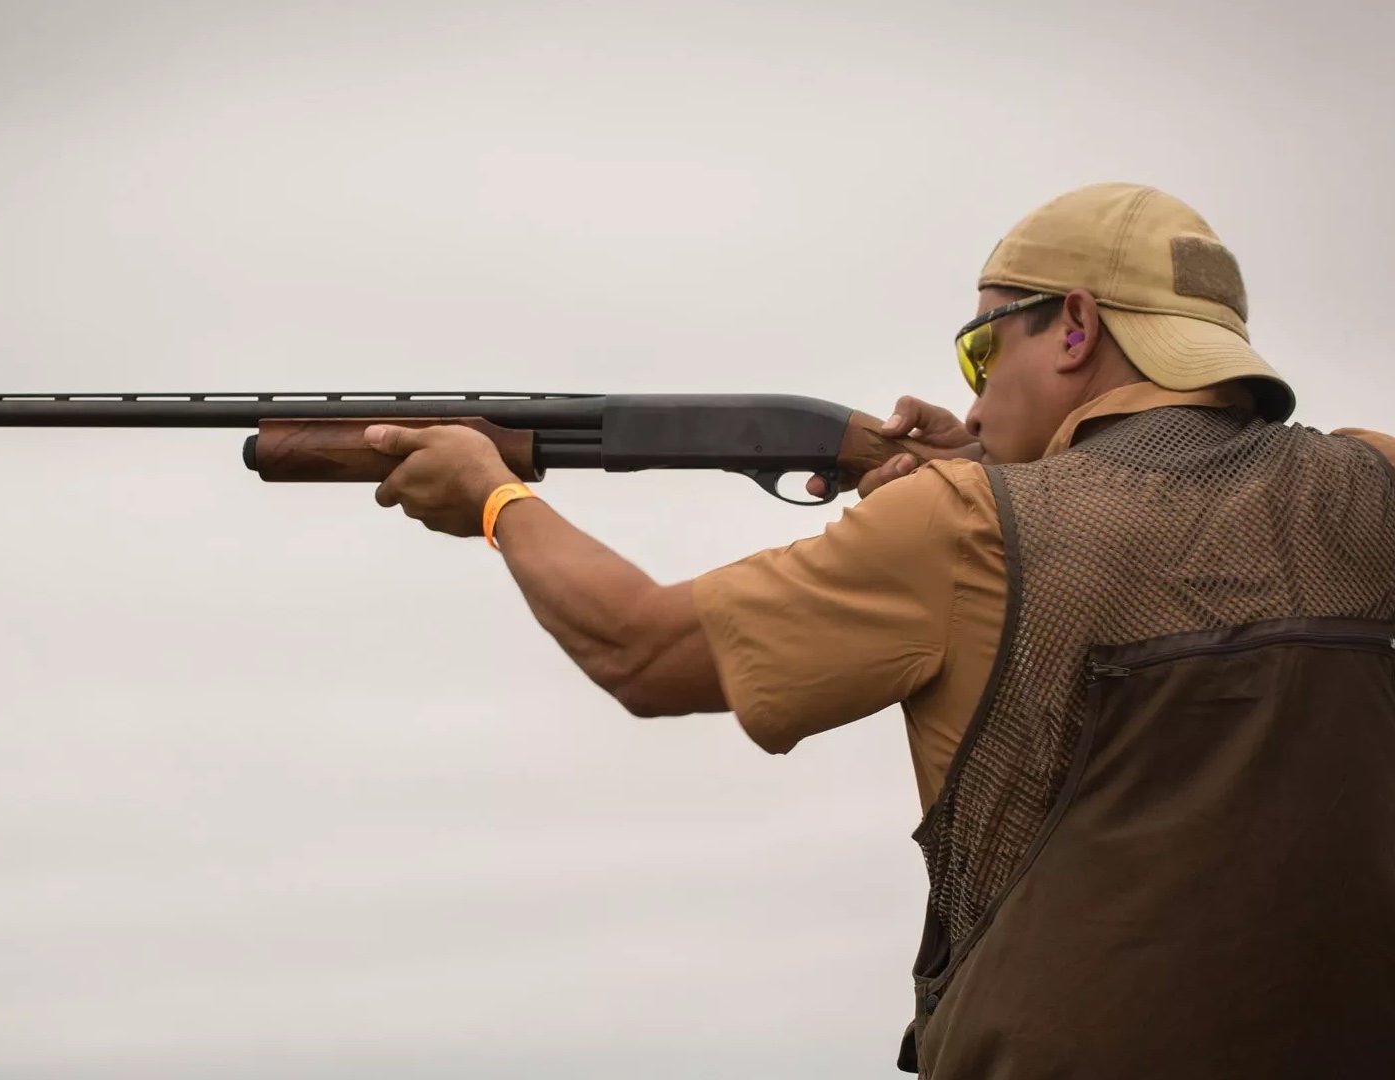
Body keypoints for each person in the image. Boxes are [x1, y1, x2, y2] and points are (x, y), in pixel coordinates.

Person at [360, 182, 1395, 1078]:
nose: (971, 389)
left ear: (1074, 328)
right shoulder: (1374, 487)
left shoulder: (960, 527)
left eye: (984, 345)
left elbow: (637, 647)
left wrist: (494, 501)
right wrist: (1013, 468)